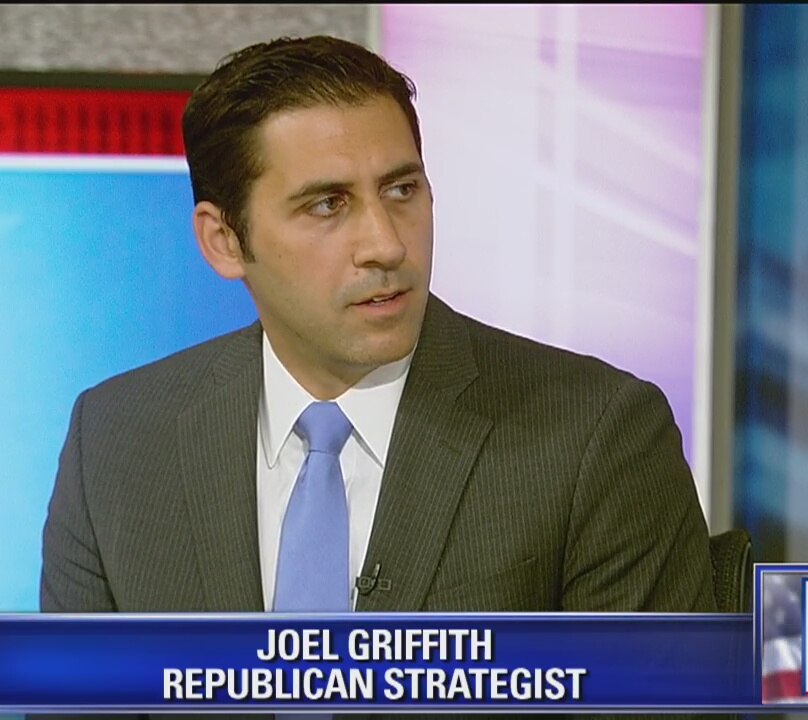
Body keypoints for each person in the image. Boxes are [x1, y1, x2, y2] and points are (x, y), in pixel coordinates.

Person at [40, 35, 714, 616]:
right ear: (224, 241)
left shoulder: (597, 437)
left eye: (401, 190)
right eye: (327, 205)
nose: (387, 244)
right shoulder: (117, 444)